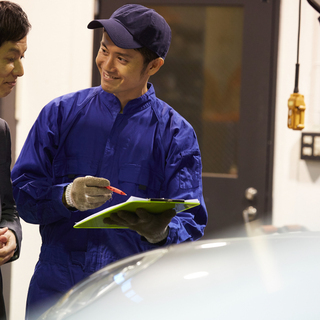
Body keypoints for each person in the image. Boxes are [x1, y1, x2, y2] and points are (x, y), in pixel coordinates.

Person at [11, 4, 208, 319]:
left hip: (132, 296)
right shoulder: (60, 115)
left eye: (123, 58)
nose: (107, 64)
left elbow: (191, 222)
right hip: (57, 290)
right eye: (104, 50)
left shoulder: (174, 134)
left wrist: (161, 232)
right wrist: (66, 197)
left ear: (153, 66)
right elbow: (22, 197)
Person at [0, 1, 30, 319]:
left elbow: (8, 208)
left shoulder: (1, 132)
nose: (20, 70)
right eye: (12, 58)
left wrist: (11, 235)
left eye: (22, 57)